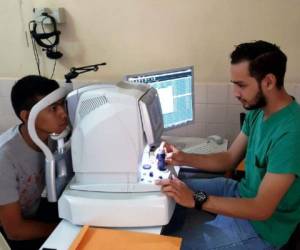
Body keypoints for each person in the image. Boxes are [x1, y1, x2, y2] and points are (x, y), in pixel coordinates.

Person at [157, 41, 300, 249]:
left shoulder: (292, 133)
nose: (235, 92)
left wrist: (196, 199)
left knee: (173, 246)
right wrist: (184, 157)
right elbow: (228, 159)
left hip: (262, 227)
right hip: (240, 192)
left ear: (268, 81)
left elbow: (261, 209)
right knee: (172, 185)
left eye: (241, 85)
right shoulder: (258, 112)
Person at [0, 75, 68, 250]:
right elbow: (15, 230)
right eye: (53, 108)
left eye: (62, 104)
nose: (63, 113)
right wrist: (60, 230)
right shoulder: (5, 158)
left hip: (32, 211)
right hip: (11, 229)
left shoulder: (52, 137)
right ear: (27, 117)